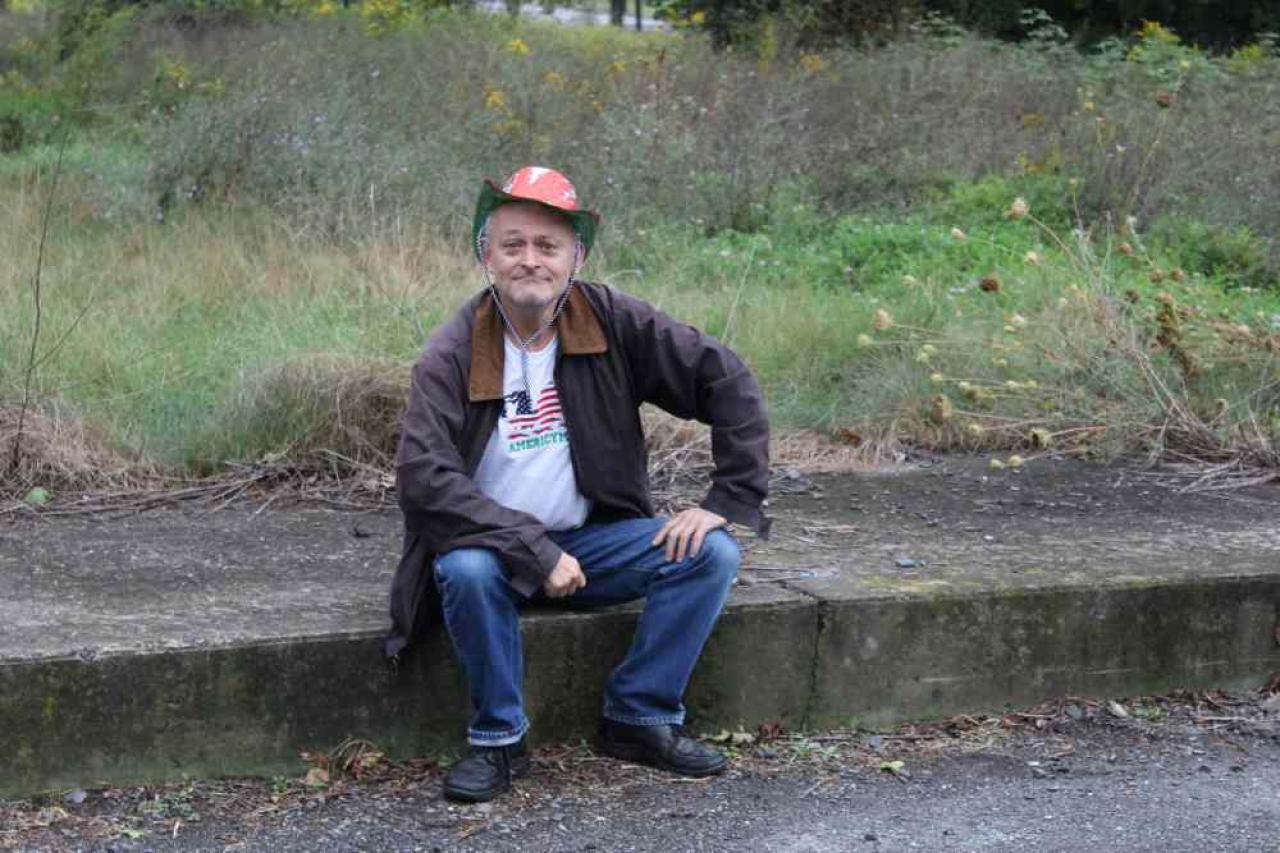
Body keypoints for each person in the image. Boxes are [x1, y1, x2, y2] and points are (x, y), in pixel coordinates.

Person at [386, 166, 770, 803]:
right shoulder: (452, 350)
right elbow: (424, 479)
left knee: (711, 553)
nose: (530, 260)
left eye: (549, 246)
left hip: (593, 547)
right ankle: (499, 739)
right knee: (465, 570)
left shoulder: (613, 320)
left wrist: (728, 497)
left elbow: (725, 378)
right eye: (513, 244)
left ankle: (638, 717)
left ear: (576, 258)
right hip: (495, 551)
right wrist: (533, 550)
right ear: (486, 256)